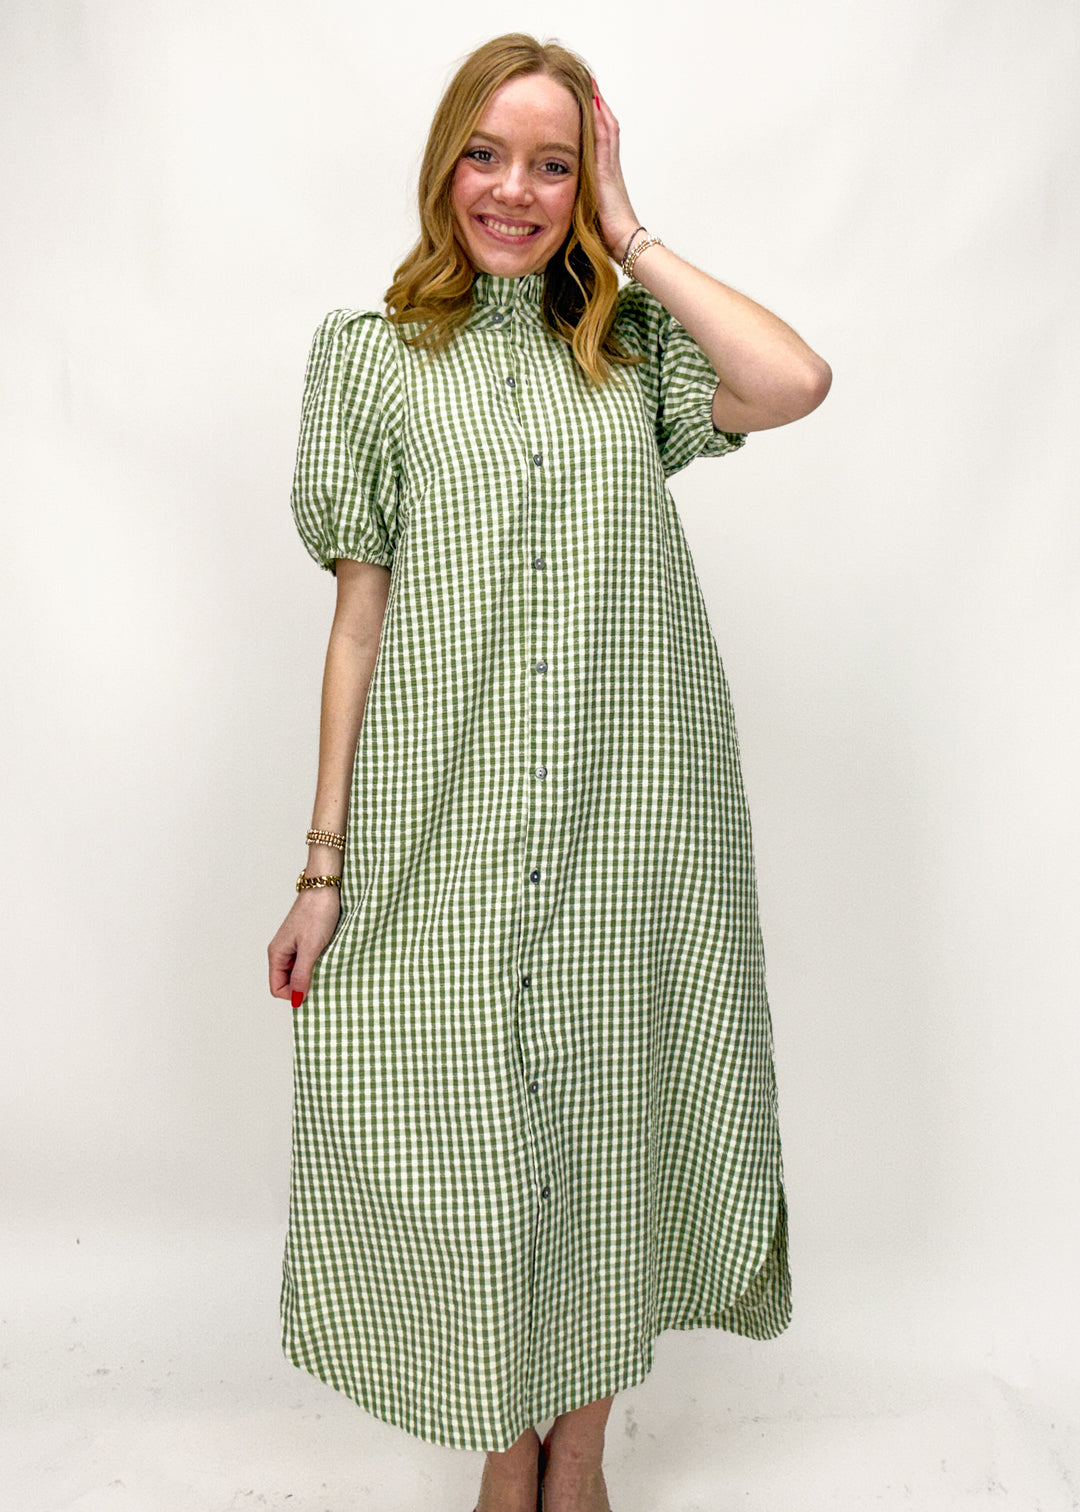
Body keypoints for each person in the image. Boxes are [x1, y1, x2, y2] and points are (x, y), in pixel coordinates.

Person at [267, 31, 830, 1512]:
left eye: (554, 163)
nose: (514, 190)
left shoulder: (628, 354)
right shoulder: (368, 360)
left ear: (585, 183)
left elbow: (794, 378)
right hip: (441, 815)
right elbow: (356, 621)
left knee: (605, 1121)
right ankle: (500, 1435)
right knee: (469, 1129)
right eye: (488, 153)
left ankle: (572, 1456)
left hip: (631, 811)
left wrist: (632, 232)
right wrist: (324, 867)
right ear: (445, 159)